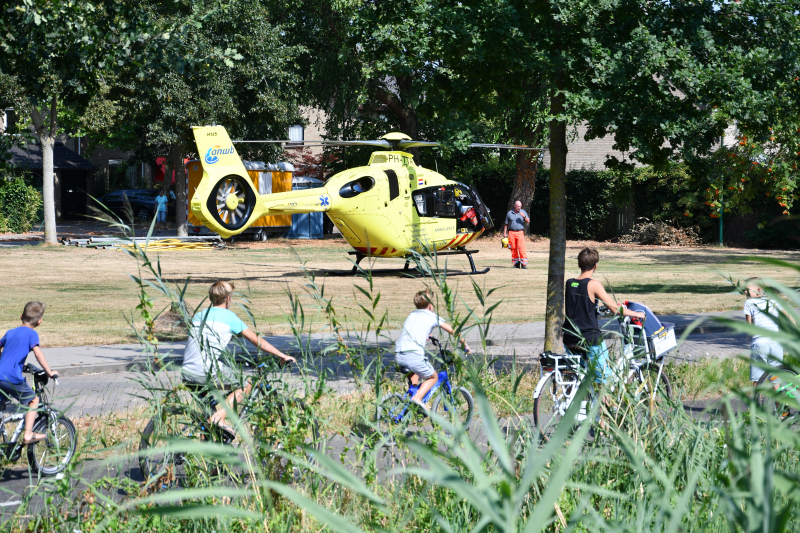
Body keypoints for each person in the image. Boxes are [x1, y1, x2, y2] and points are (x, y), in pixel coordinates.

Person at [181, 281, 295, 428]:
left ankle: (206, 445)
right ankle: (221, 416)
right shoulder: (230, 318)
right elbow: (258, 341)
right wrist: (282, 355)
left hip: (187, 371)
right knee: (246, 385)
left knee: (207, 416)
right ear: (228, 298)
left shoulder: (198, 316)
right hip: (206, 371)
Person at [563, 248, 645, 384]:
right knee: (605, 380)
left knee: (576, 377)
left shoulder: (570, 283)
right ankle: (604, 405)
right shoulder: (593, 284)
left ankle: (571, 402)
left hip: (570, 337)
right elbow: (615, 310)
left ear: (579, 265)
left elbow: (581, 304)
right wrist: (637, 314)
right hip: (589, 339)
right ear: (595, 265)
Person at [395, 290, 470, 410]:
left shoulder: (412, 314)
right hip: (414, 355)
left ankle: (411, 401)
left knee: (414, 376)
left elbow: (417, 328)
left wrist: (427, 334)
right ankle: (417, 398)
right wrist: (465, 344)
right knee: (433, 377)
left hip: (400, 354)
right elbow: (453, 330)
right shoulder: (431, 315)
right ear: (430, 305)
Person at [0, 302, 58, 445]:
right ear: (39, 322)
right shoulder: (32, 334)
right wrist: (49, 372)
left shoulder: (10, 332)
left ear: (21, 316)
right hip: (11, 377)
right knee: (34, 401)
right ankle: (28, 434)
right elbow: (38, 354)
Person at [743, 278, 794, 386]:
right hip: (776, 344)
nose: (745, 292)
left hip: (760, 344)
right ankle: (779, 401)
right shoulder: (774, 301)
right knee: (776, 379)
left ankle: (756, 402)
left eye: (747, 289)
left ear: (759, 290)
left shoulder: (749, 303)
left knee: (757, 379)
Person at [503, 201, 530, 269]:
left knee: (521, 248)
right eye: (518, 206)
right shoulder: (509, 213)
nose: (519, 208)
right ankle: (516, 264)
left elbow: (528, 221)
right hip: (511, 232)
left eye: (520, 206)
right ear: (515, 206)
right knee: (513, 248)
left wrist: (524, 216)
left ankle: (524, 264)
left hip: (520, 232)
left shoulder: (523, 212)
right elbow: (506, 224)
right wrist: (504, 233)